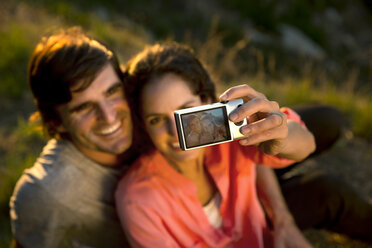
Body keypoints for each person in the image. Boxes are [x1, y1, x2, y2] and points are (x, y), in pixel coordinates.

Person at [115, 43, 316, 248]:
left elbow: (307, 144)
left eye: (186, 113)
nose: (175, 131)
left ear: (207, 101)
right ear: (144, 126)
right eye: (156, 120)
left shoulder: (229, 133)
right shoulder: (138, 199)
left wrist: (280, 134)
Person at [9, 27, 135, 247]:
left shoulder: (152, 120)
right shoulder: (46, 193)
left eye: (112, 92)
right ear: (55, 121)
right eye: (84, 107)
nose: (109, 116)